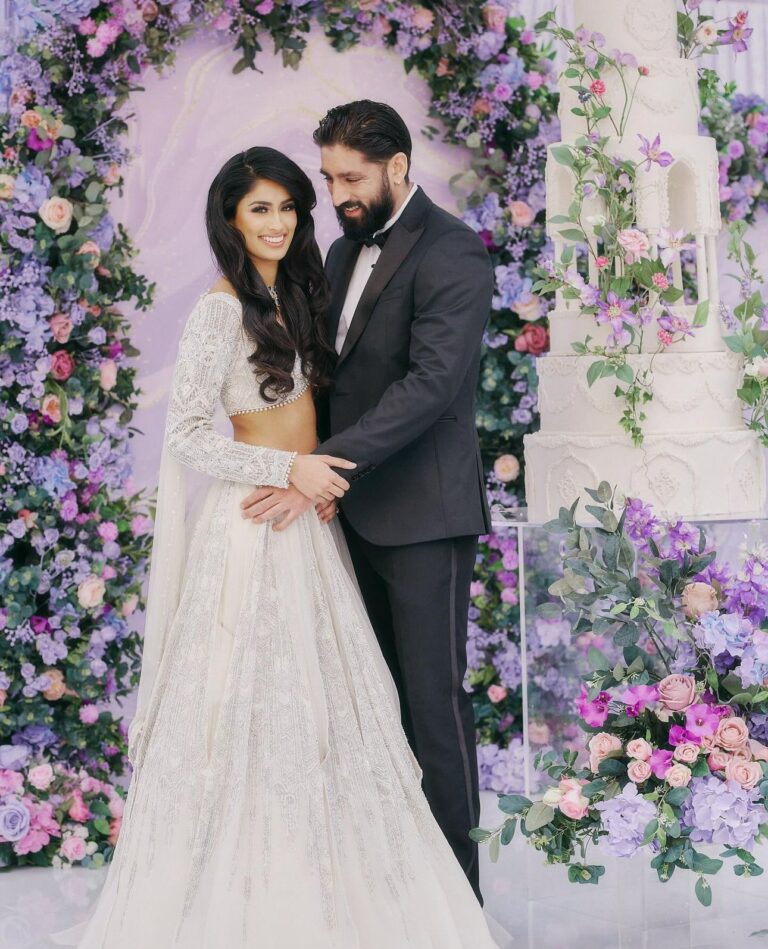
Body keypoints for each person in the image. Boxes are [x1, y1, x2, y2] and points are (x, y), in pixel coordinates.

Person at [71, 147, 497, 948]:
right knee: (245, 713)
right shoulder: (220, 309)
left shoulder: (298, 293)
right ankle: (250, 896)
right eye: (260, 207)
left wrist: (318, 477)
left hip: (311, 523)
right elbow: (191, 434)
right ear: (230, 216)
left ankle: (361, 889)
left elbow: (376, 391)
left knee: (340, 716)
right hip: (255, 526)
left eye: (289, 206)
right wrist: (292, 469)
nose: (280, 221)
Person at [240, 103, 494, 904]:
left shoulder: (454, 250)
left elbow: (430, 385)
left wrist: (318, 463)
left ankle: (459, 903)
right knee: (372, 715)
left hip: (423, 519)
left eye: (351, 177)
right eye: (329, 178)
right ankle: (396, 895)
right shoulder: (344, 250)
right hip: (345, 515)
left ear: (397, 165)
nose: (338, 193)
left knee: (432, 711)